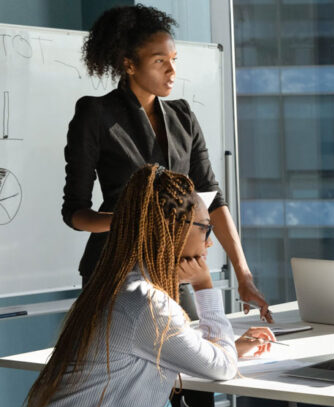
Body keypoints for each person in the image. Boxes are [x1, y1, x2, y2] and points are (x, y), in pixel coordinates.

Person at [23, 165, 275, 407]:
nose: (209, 241)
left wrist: (228, 346)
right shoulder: (147, 303)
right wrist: (204, 285)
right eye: (206, 228)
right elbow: (223, 368)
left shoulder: (118, 286)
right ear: (173, 227)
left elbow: (156, 344)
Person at [60, 5, 270, 322]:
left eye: (173, 61)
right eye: (160, 62)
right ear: (129, 65)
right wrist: (134, 222)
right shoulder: (96, 114)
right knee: (144, 365)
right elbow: (76, 213)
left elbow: (211, 197)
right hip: (116, 270)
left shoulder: (182, 116)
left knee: (200, 355)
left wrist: (243, 274)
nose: (171, 71)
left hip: (175, 264)